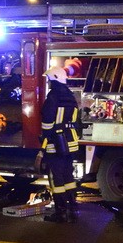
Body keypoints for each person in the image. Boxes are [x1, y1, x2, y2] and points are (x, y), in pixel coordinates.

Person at [37, 66, 80, 222]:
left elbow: (47, 122)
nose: (48, 82)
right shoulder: (71, 96)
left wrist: (43, 142)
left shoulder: (52, 97)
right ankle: (72, 206)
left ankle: (60, 212)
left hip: (56, 143)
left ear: (54, 79)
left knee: (57, 178)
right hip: (71, 142)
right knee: (68, 175)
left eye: (49, 79)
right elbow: (76, 121)